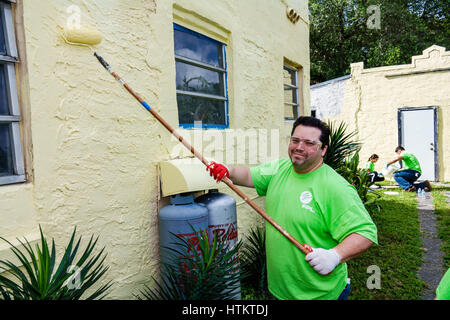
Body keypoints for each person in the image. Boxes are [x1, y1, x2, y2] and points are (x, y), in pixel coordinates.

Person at [206, 116, 378, 300]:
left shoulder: (335, 187)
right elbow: (249, 175)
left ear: (323, 150)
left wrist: (335, 256)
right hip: (278, 290)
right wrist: (228, 170)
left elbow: (365, 232)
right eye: (295, 140)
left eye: (309, 143)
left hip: (320, 295)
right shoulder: (280, 169)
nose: (299, 147)